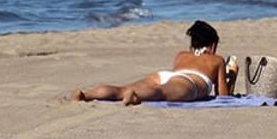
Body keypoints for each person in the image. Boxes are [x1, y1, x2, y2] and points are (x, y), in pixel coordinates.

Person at [71, 20, 237, 105]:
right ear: (213, 44)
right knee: (161, 92)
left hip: (168, 75)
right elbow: (223, 97)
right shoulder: (217, 60)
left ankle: (86, 95)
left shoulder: (181, 55)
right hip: (190, 82)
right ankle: (135, 97)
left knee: (123, 88)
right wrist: (233, 75)